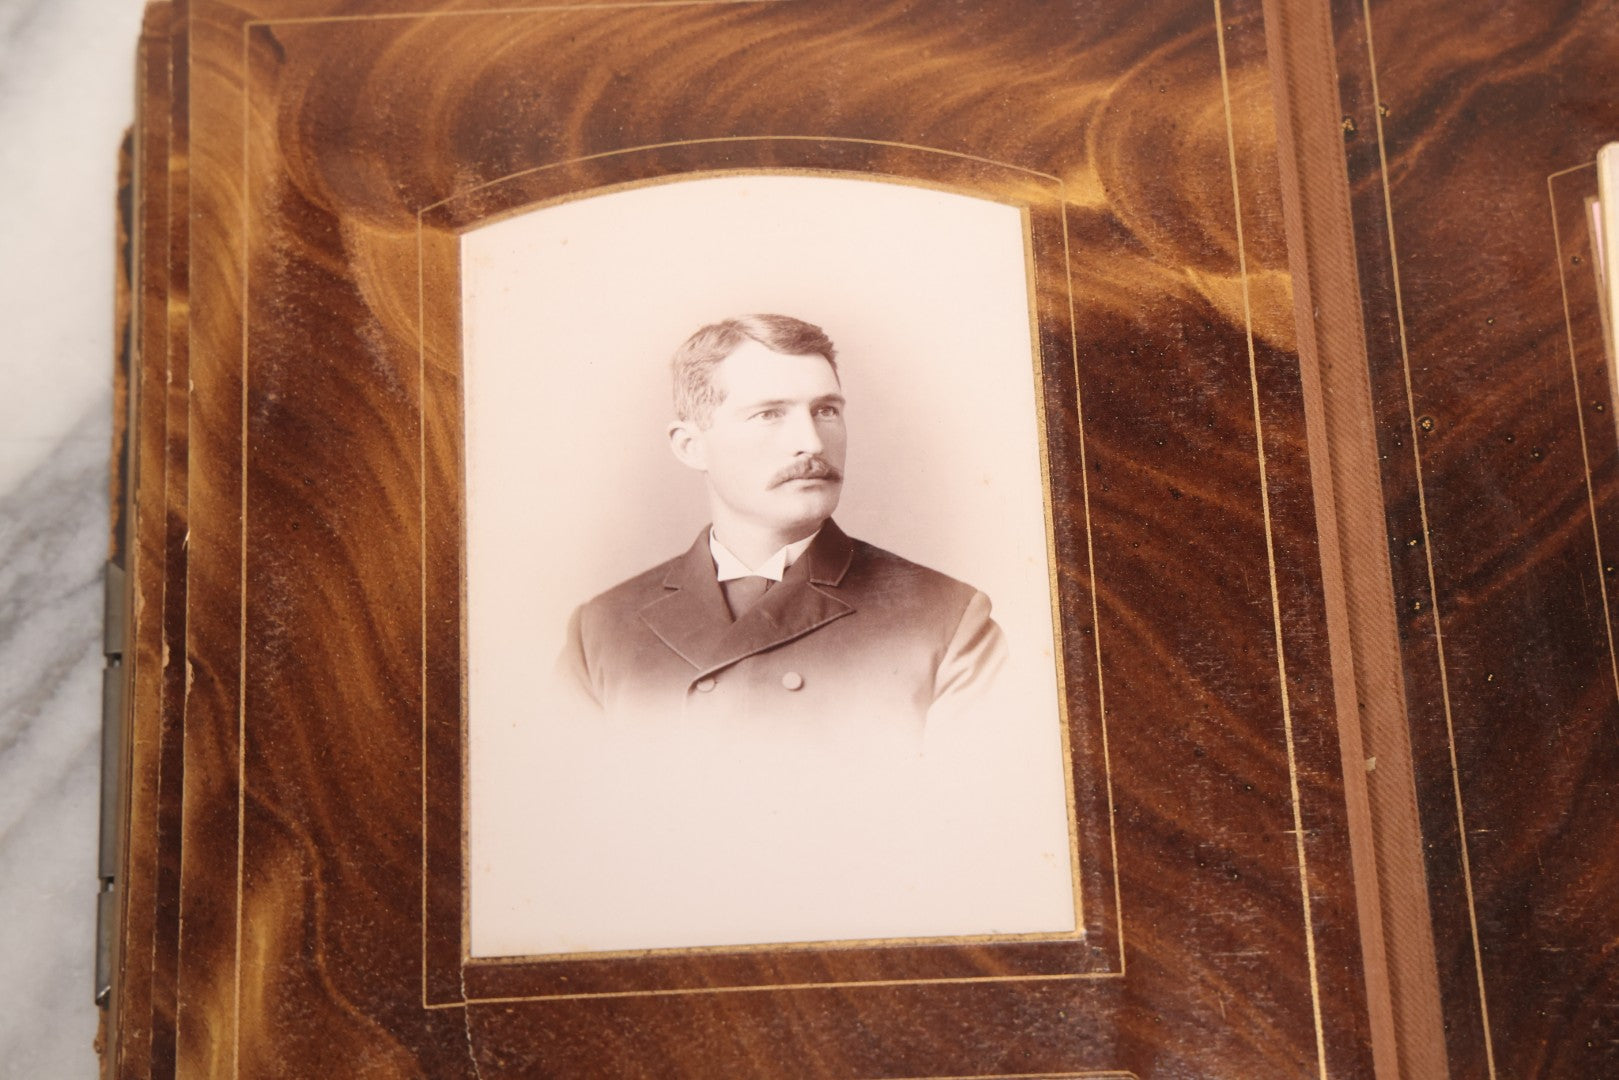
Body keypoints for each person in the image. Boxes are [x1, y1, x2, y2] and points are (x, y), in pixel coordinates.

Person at [559, 313, 1004, 737]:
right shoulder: (599, 632)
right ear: (691, 447)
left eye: (826, 410)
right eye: (769, 414)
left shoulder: (946, 619)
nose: (811, 443)